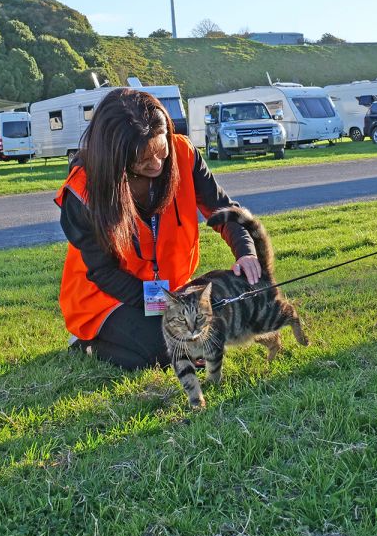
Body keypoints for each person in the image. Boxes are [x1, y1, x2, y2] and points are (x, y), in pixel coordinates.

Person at [55, 88, 261, 370]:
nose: (156, 164)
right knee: (166, 349)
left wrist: (245, 252)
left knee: (228, 302)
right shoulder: (82, 191)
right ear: (115, 156)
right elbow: (103, 273)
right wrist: (165, 306)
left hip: (167, 292)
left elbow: (222, 209)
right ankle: (85, 341)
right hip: (105, 299)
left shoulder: (185, 154)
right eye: (143, 158)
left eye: (161, 151)